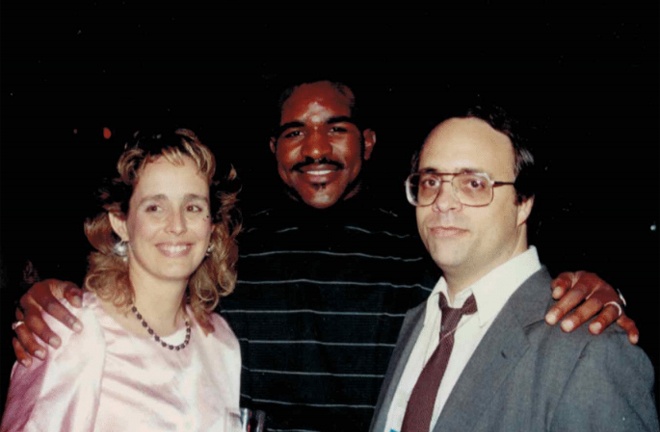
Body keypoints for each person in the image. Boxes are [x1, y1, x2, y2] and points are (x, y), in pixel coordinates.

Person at [12, 80, 637, 431]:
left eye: (333, 128)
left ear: (366, 142)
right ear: (274, 151)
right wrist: (52, 296)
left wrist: (589, 289)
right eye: (293, 133)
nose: (314, 148)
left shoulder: (425, 249)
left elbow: (499, 288)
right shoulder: (235, 252)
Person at [370, 104, 658, 432]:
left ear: (523, 202)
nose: (443, 201)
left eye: (473, 183)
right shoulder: (415, 322)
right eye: (431, 181)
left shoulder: (590, 350)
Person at [2, 129, 242, 431]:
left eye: (193, 207)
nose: (178, 225)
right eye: (155, 207)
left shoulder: (221, 343)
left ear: (212, 226)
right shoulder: (76, 329)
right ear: (121, 222)